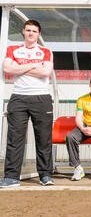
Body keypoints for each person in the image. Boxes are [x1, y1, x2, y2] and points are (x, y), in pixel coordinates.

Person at [0, 20, 55, 187]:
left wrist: (20, 66)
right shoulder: (12, 49)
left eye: (34, 31)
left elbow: (46, 72)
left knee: (43, 139)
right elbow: (7, 69)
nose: (31, 33)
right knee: (14, 139)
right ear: (23, 32)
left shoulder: (45, 51)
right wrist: (33, 65)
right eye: (28, 30)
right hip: (18, 97)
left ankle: (45, 175)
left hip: (42, 98)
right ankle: (11, 177)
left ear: (39, 34)